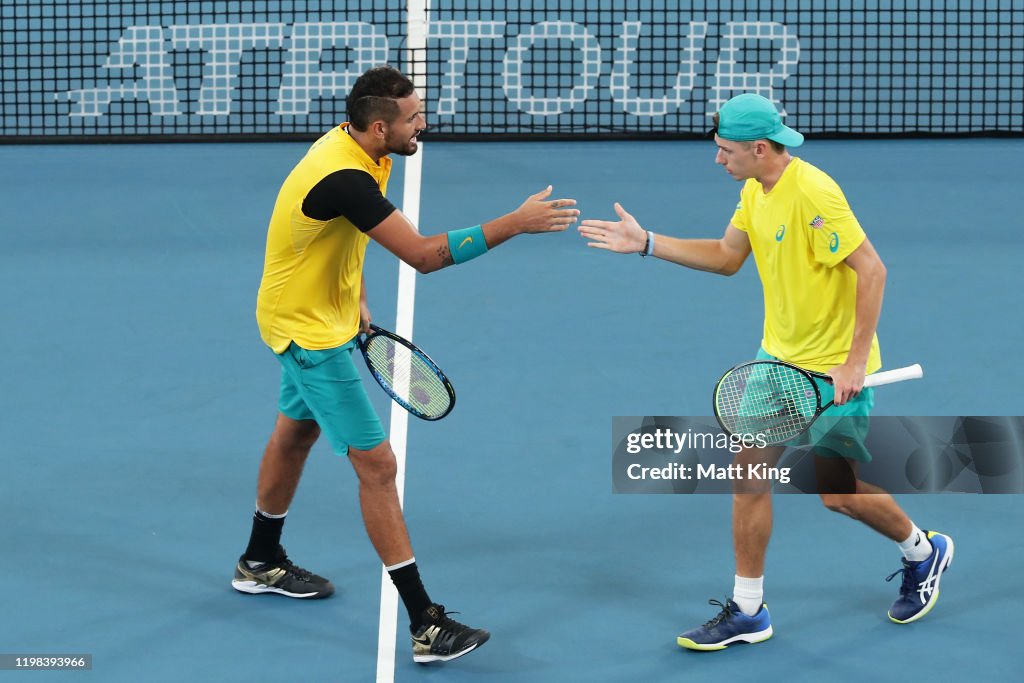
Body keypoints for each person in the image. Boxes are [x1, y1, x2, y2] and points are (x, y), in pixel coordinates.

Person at [578, 93, 954, 649]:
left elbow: (872, 270)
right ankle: (749, 610)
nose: (717, 160)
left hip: (832, 374)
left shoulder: (814, 192)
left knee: (838, 494)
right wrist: (648, 243)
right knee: (747, 475)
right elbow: (729, 257)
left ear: (759, 148)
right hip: (778, 362)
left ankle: (923, 551)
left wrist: (852, 363)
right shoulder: (755, 189)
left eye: (725, 151)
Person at [234, 65, 579, 664]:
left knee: (295, 434)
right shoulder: (345, 175)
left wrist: (355, 293)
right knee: (377, 465)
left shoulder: (360, 149)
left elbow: (337, 235)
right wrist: (516, 224)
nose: (423, 124)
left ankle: (259, 559)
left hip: (311, 314)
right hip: (311, 336)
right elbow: (423, 255)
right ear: (376, 126)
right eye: (413, 119)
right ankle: (425, 624)